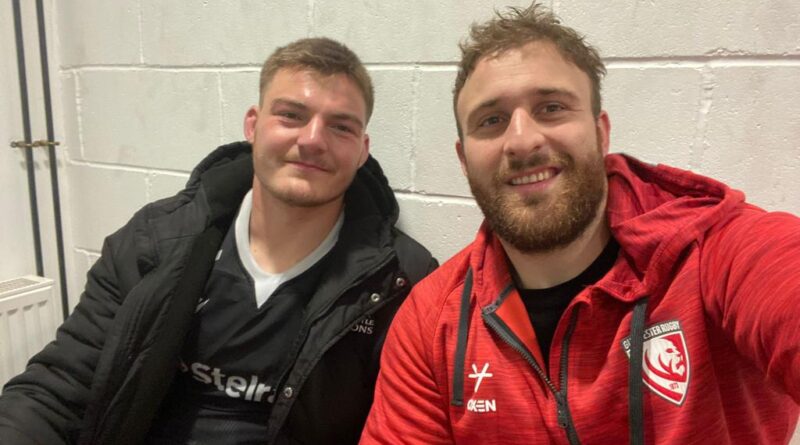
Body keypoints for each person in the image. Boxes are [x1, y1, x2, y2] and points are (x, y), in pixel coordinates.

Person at [360, 4, 799, 445]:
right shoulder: (431, 322)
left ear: (600, 132)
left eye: (551, 107)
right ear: (464, 159)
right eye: (491, 120)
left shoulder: (717, 252)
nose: (522, 140)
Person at [0, 37, 436, 445]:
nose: (312, 140)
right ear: (253, 125)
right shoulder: (155, 239)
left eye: (340, 127)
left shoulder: (400, 281)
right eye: (291, 115)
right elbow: (59, 387)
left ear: (362, 150)